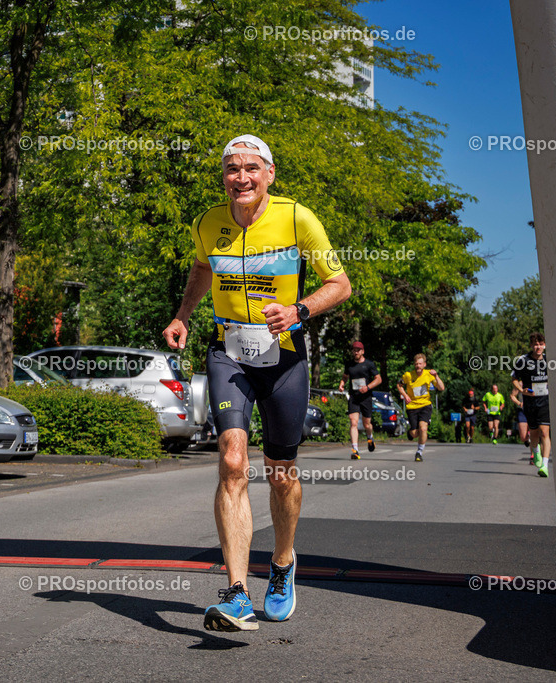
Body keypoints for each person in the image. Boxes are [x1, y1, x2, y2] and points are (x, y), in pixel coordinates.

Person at [163, 134, 351, 632]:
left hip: (283, 356)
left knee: (281, 472)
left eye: (250, 168)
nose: (240, 177)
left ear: (269, 173)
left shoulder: (296, 218)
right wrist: (184, 314)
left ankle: (284, 562)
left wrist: (298, 310)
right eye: (231, 168)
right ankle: (237, 592)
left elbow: (340, 284)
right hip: (229, 353)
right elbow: (202, 268)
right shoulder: (209, 222)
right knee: (231, 460)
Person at [513, 332, 551, 478]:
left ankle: (545, 465)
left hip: (545, 402)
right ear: (531, 345)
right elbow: (514, 379)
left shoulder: (549, 360)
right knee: (534, 433)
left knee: (545, 433)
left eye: (541, 344)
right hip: (530, 402)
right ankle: (535, 452)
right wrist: (522, 390)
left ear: (545, 345)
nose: (538, 347)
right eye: (536, 344)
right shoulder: (523, 361)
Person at [397, 353, 445, 462]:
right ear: (414, 365)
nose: (418, 366)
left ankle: (419, 452)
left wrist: (436, 376)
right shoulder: (408, 375)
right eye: (416, 364)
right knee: (415, 433)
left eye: (420, 364)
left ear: (424, 364)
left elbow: (441, 388)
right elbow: (399, 385)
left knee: (423, 428)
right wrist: (405, 395)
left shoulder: (429, 374)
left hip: (425, 405)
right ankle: (410, 432)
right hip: (412, 406)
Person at [338, 341, 381, 459]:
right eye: (354, 350)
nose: (356, 352)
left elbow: (378, 379)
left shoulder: (369, 364)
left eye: (358, 350)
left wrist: (367, 387)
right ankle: (355, 450)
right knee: (353, 422)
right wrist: (342, 384)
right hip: (354, 397)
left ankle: (369, 437)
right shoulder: (350, 364)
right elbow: (345, 376)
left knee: (367, 424)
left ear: (362, 351)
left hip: (366, 397)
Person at [511, 386, 535, 462]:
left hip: (534, 410)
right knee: (523, 437)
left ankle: (533, 455)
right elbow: (512, 396)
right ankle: (527, 439)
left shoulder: (535, 381)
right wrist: (519, 403)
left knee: (533, 434)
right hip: (522, 411)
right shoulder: (520, 384)